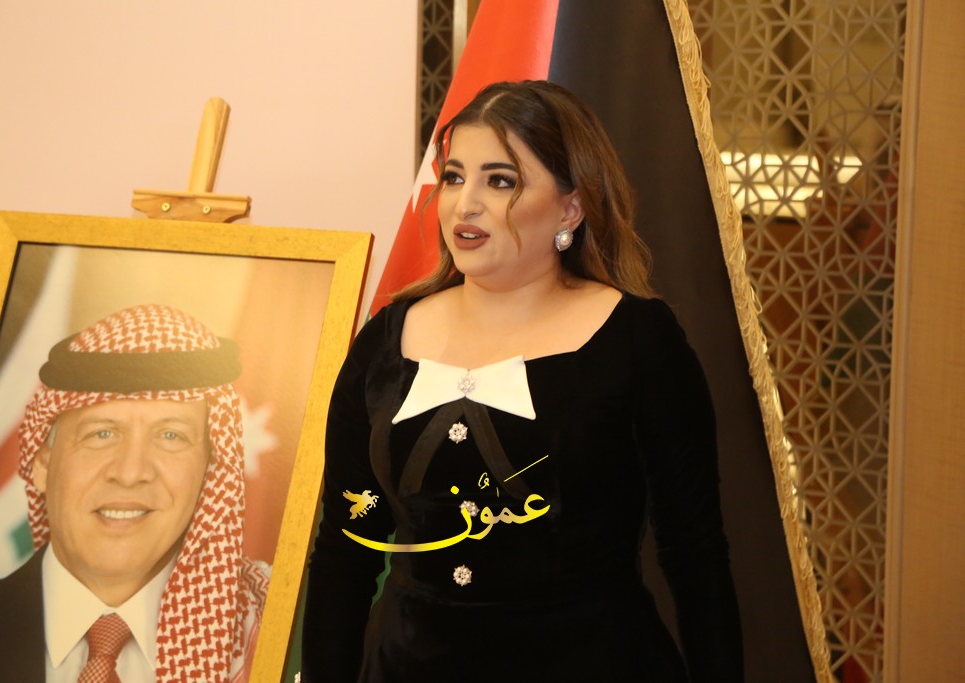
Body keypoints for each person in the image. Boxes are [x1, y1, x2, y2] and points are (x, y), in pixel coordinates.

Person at [302, 80, 743, 682]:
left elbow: (694, 552)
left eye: (500, 181)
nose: (465, 204)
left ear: (570, 209)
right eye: (454, 177)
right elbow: (345, 548)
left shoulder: (638, 341)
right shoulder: (385, 339)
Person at [0, 304, 269, 683]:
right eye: (101, 433)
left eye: (171, 436)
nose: (130, 473)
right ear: (42, 464)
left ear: (209, 472)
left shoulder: (266, 636)